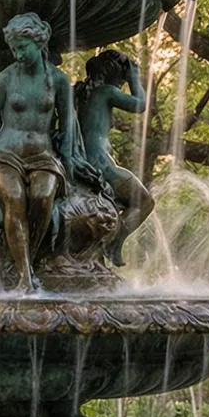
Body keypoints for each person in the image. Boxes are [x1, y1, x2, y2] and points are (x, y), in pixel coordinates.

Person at [0, 13, 98, 290]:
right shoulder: (5, 79)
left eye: (22, 48)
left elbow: (68, 124)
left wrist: (70, 161)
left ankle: (27, 261)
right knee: (14, 196)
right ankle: (25, 277)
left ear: (39, 42)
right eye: (14, 49)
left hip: (43, 156)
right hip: (6, 155)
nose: (18, 55)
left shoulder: (58, 81)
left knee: (43, 196)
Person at [68, 50, 156, 266]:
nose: (124, 81)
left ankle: (103, 247)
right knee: (144, 202)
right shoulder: (105, 92)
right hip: (99, 162)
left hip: (81, 157)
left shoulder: (80, 93)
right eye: (123, 77)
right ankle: (111, 243)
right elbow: (140, 104)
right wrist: (135, 77)